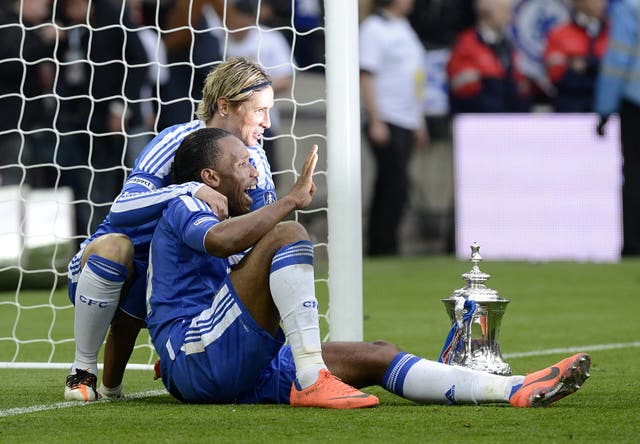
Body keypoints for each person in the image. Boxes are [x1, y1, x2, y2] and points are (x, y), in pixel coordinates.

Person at [148, 126, 591, 408]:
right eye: (242, 163)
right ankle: (311, 377)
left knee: (376, 353)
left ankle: (510, 389)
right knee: (289, 234)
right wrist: (289, 202)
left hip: (236, 360)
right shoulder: (187, 201)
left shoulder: (240, 205)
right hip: (197, 355)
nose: (254, 172)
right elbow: (221, 241)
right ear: (209, 177)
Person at [64, 57, 277, 401]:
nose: (267, 122)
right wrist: (189, 188)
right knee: (118, 248)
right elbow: (121, 209)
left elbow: (257, 232)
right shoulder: (176, 140)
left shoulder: (258, 160)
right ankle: (82, 370)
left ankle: (187, 352)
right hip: (120, 271)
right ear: (225, 106)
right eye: (259, 111)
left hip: (186, 285)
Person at [359, 0, 429, 256]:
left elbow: (415, 77)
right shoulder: (374, 28)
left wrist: (419, 120)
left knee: (393, 183)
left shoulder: (405, 28)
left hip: (407, 119)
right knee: (394, 182)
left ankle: (385, 243)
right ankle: (382, 245)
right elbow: (366, 74)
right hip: (387, 116)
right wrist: (375, 119)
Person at [594, 0, 640, 256]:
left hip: (635, 102)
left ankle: (634, 245)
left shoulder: (629, 7)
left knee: (634, 174)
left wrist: (604, 109)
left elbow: (617, 59)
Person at [0, 0, 57, 187]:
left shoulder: (28, 27)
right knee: (15, 184)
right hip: (11, 125)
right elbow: (11, 63)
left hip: (25, 125)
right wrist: (42, 41)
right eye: (43, 2)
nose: (47, 6)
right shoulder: (10, 25)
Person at [446, 0, 532, 113]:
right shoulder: (467, 45)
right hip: (478, 122)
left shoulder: (509, 47)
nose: (510, 17)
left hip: (509, 123)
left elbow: (520, 90)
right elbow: (463, 91)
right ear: (487, 12)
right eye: (505, 10)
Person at [544, 0, 608, 112]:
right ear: (579, 3)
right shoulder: (559, 34)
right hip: (570, 108)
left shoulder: (613, 33)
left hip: (605, 105)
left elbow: (616, 68)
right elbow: (555, 75)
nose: (601, 4)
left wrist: (586, 64)